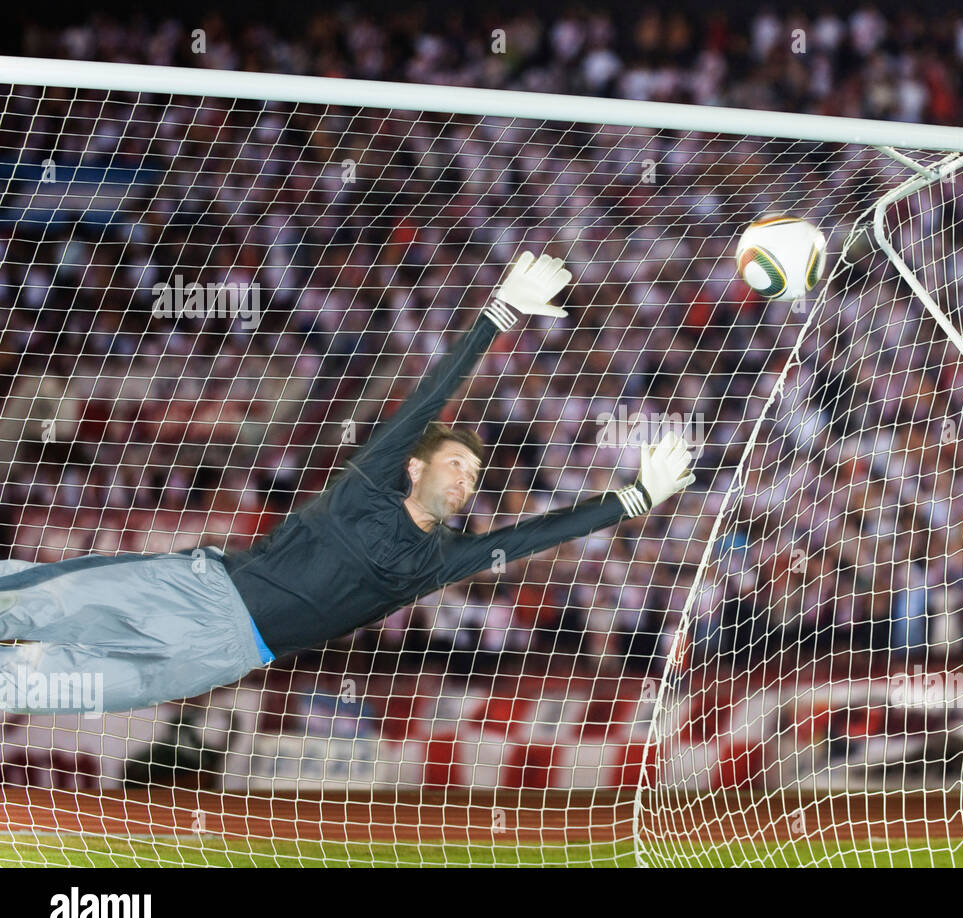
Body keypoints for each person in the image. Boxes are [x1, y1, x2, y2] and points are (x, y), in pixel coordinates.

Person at [0, 251, 696, 714]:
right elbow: (432, 394)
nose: (466, 479)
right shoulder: (368, 483)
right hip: (196, 587)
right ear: (415, 465)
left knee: (45, 685)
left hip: (224, 655)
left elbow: (533, 536)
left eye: (474, 475)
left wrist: (633, 499)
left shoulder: (437, 560)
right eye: (456, 462)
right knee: (39, 603)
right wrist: (498, 314)